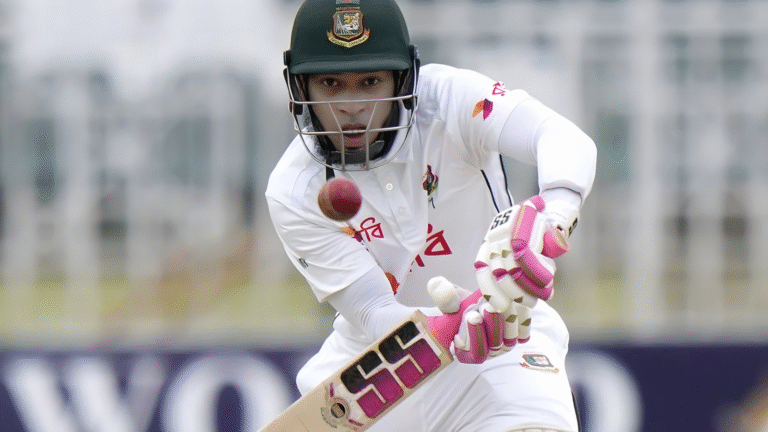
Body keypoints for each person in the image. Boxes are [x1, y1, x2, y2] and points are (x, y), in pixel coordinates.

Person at [265, 0, 596, 431]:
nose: (351, 105)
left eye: (370, 81)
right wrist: (457, 323)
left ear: (404, 77)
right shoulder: (294, 188)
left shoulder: (451, 99)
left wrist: (556, 213)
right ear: (301, 88)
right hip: (379, 363)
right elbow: (372, 309)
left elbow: (558, 136)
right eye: (330, 83)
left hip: (507, 339)